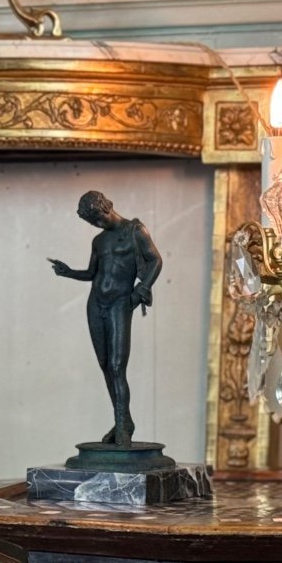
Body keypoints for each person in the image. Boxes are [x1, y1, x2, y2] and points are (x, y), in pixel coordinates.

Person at [49, 191, 163, 447]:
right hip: (95, 303)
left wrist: (140, 290)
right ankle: (123, 418)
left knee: (116, 365)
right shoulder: (98, 242)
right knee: (104, 365)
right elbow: (92, 273)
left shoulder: (135, 230)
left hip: (120, 303)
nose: (95, 224)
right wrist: (68, 272)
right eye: (91, 222)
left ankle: (123, 426)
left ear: (105, 208)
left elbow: (156, 260)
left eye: (96, 218)